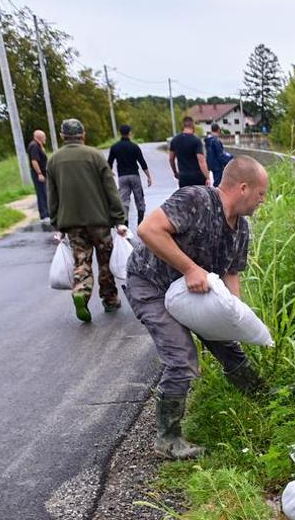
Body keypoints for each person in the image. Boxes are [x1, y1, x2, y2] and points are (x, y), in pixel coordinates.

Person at [124, 157, 269, 459]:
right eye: (261, 194)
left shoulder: (241, 229)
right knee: (181, 356)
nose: (262, 202)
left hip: (195, 295)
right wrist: (190, 268)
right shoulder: (196, 199)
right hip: (152, 284)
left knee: (229, 347)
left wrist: (235, 314)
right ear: (244, 188)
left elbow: (231, 272)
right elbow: (148, 230)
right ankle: (167, 440)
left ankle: (263, 402)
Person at [47, 118, 128, 323]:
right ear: (82, 135)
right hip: (99, 220)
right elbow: (111, 189)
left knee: (81, 260)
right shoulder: (95, 156)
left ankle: (81, 292)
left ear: (63, 136)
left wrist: (57, 223)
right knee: (105, 261)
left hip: (72, 222)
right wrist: (119, 218)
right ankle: (109, 299)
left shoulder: (54, 160)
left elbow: (52, 195)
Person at [106, 123, 152, 224]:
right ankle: (140, 224)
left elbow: (109, 163)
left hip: (122, 177)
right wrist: (148, 176)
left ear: (120, 133)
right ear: (129, 133)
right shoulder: (134, 147)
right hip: (134, 176)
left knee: (124, 201)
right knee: (139, 200)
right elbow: (142, 162)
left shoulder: (115, 147)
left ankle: (125, 226)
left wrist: (110, 173)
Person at [166, 115, 208, 189]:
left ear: (183, 126)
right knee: (199, 199)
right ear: (193, 125)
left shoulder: (175, 140)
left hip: (183, 177)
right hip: (197, 177)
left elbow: (171, 159)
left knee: (186, 199)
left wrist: (175, 172)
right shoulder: (196, 140)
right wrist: (207, 177)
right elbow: (201, 161)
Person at [27, 129, 50, 227]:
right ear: (39, 137)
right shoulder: (34, 146)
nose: (45, 138)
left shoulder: (38, 145)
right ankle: (44, 215)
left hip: (43, 173)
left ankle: (47, 212)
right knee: (41, 193)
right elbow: (34, 161)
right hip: (38, 174)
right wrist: (39, 173)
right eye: (44, 137)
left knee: (45, 192)